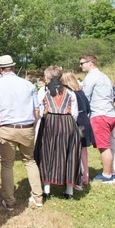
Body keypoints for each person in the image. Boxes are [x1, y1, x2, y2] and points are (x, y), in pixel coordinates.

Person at [0, 55, 43, 209]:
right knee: (30, 161)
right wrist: (33, 126)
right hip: (26, 127)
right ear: (13, 67)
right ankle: (38, 197)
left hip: (6, 128)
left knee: (7, 164)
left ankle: (10, 200)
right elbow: (36, 110)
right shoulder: (28, 85)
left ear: (0, 69)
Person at [34, 66, 81, 199]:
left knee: (47, 153)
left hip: (49, 122)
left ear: (47, 77)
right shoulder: (70, 91)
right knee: (69, 153)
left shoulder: (43, 90)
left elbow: (40, 108)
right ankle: (69, 191)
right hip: (68, 122)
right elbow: (75, 113)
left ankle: (47, 190)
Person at [80, 54, 115, 183]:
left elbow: (85, 97)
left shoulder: (91, 77)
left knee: (104, 146)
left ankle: (107, 175)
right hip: (110, 113)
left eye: (82, 63)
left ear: (90, 63)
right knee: (107, 145)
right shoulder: (104, 76)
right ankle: (111, 171)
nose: (81, 66)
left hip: (100, 114)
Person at [61, 72, 95, 187]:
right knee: (83, 150)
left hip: (77, 123)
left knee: (74, 150)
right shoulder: (81, 92)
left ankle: (77, 175)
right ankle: (86, 174)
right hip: (84, 121)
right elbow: (88, 108)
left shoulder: (69, 94)